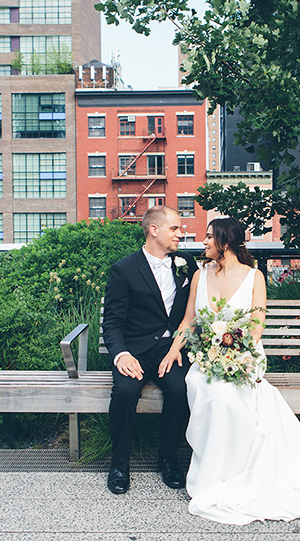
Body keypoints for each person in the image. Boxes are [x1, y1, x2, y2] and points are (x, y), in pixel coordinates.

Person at [159, 217, 300, 524]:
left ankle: (234, 471)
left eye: (208, 237)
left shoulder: (255, 276)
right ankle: (215, 473)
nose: (202, 242)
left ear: (225, 243)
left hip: (245, 354)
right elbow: (189, 320)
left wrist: (238, 355)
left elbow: (256, 325)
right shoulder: (200, 275)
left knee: (227, 397)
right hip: (206, 357)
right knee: (208, 391)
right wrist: (173, 351)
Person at [103, 205, 198, 494]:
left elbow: (195, 308)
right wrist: (121, 354)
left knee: (179, 389)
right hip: (135, 350)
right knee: (125, 392)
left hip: (172, 350)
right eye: (175, 228)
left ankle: (169, 458)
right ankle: (119, 463)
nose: (181, 234)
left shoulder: (186, 264)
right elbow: (113, 322)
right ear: (154, 230)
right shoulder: (124, 269)